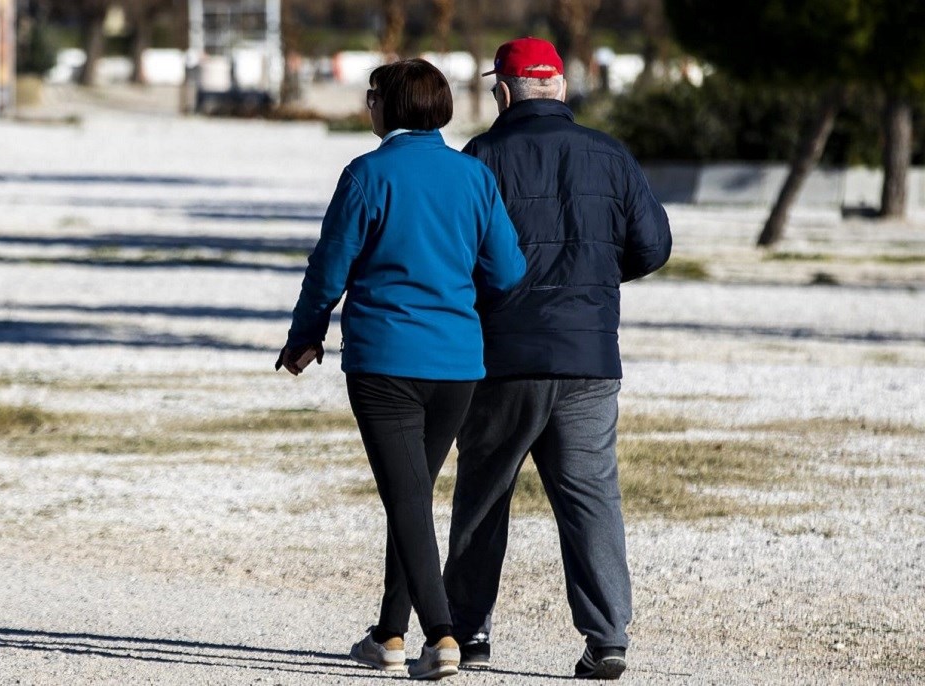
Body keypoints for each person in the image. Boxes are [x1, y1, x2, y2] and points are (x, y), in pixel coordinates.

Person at [277, 58, 526, 681]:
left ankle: (441, 636)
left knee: (408, 498)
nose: (368, 105)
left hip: (385, 360)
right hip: (458, 365)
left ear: (388, 106)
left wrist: (305, 334)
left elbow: (329, 266)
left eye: (372, 96)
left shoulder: (366, 174)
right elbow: (508, 273)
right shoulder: (473, 176)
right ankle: (389, 634)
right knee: (408, 495)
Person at [441, 37, 672, 681]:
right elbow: (653, 246)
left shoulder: (481, 157)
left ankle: (469, 631)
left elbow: (459, 256)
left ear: (505, 91)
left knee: (484, 495)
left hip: (501, 357)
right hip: (589, 356)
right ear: (561, 89)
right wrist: (596, 281)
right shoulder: (610, 153)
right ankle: (607, 638)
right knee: (591, 497)